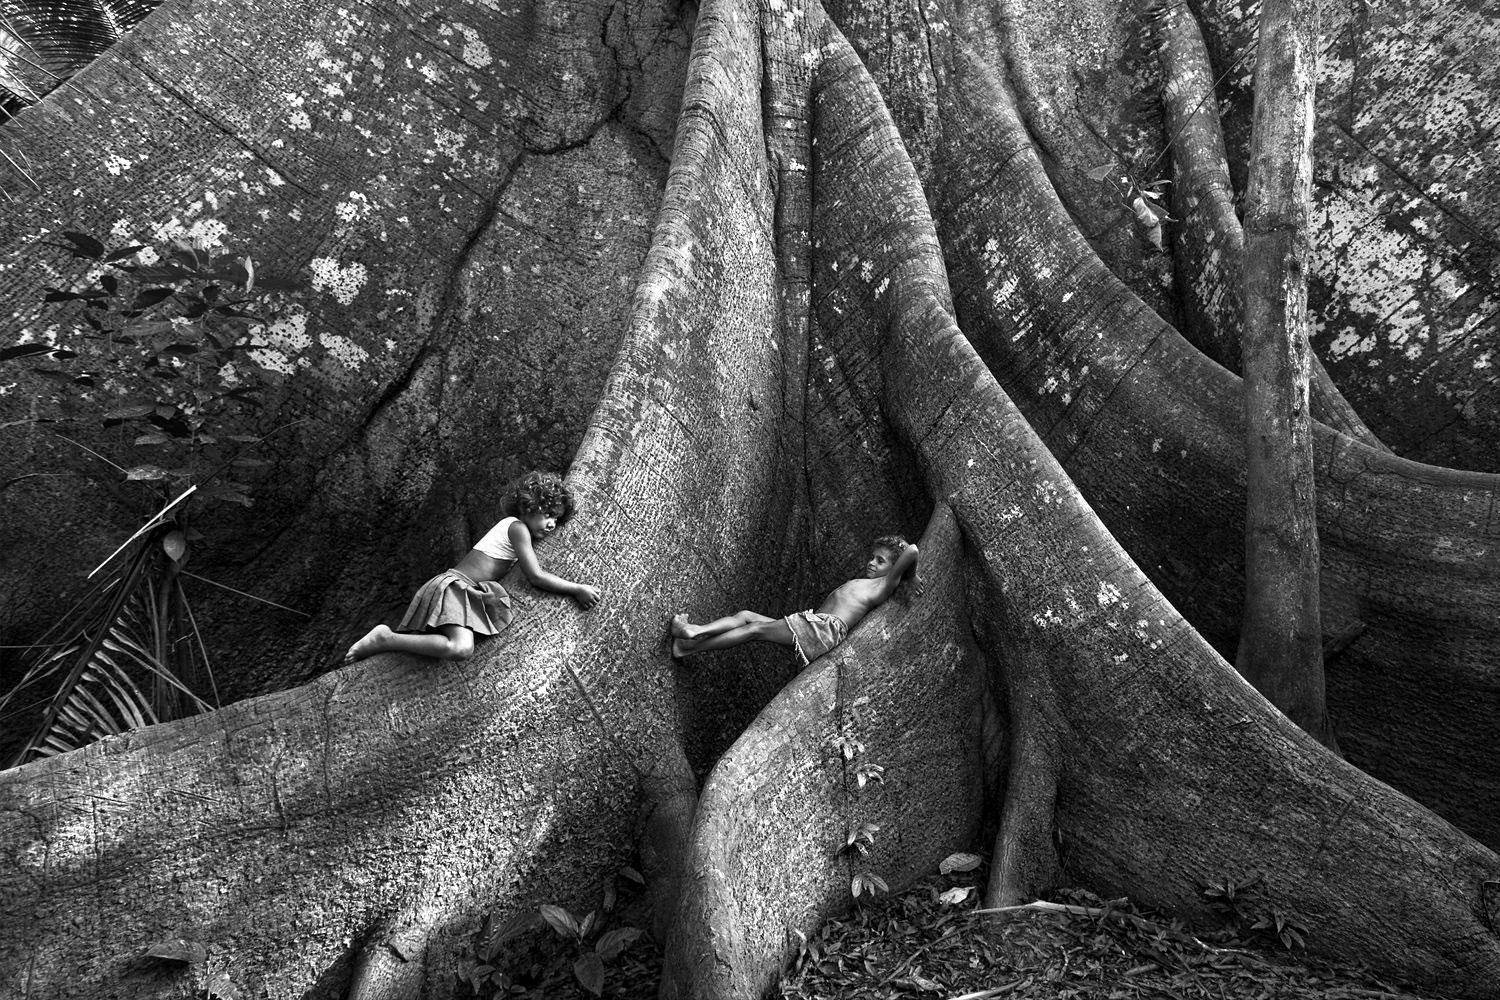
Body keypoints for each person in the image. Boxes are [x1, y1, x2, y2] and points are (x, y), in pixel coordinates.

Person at [345, 471, 600, 664]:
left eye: (556, 518)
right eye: (547, 513)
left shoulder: (515, 528)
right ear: (527, 506)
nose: (552, 523)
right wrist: (577, 588)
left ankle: (389, 640)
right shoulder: (517, 527)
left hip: (462, 590)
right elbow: (535, 576)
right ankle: (385, 638)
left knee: (456, 647)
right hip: (455, 588)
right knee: (461, 648)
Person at [670, 535, 919, 665]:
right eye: (873, 557)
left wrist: (912, 575)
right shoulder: (866, 583)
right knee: (747, 617)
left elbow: (913, 550)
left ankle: (692, 637)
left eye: (881, 561)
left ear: (895, 569)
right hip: (814, 624)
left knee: (754, 630)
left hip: (823, 630)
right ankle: (689, 644)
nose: (872, 563)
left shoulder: (884, 586)